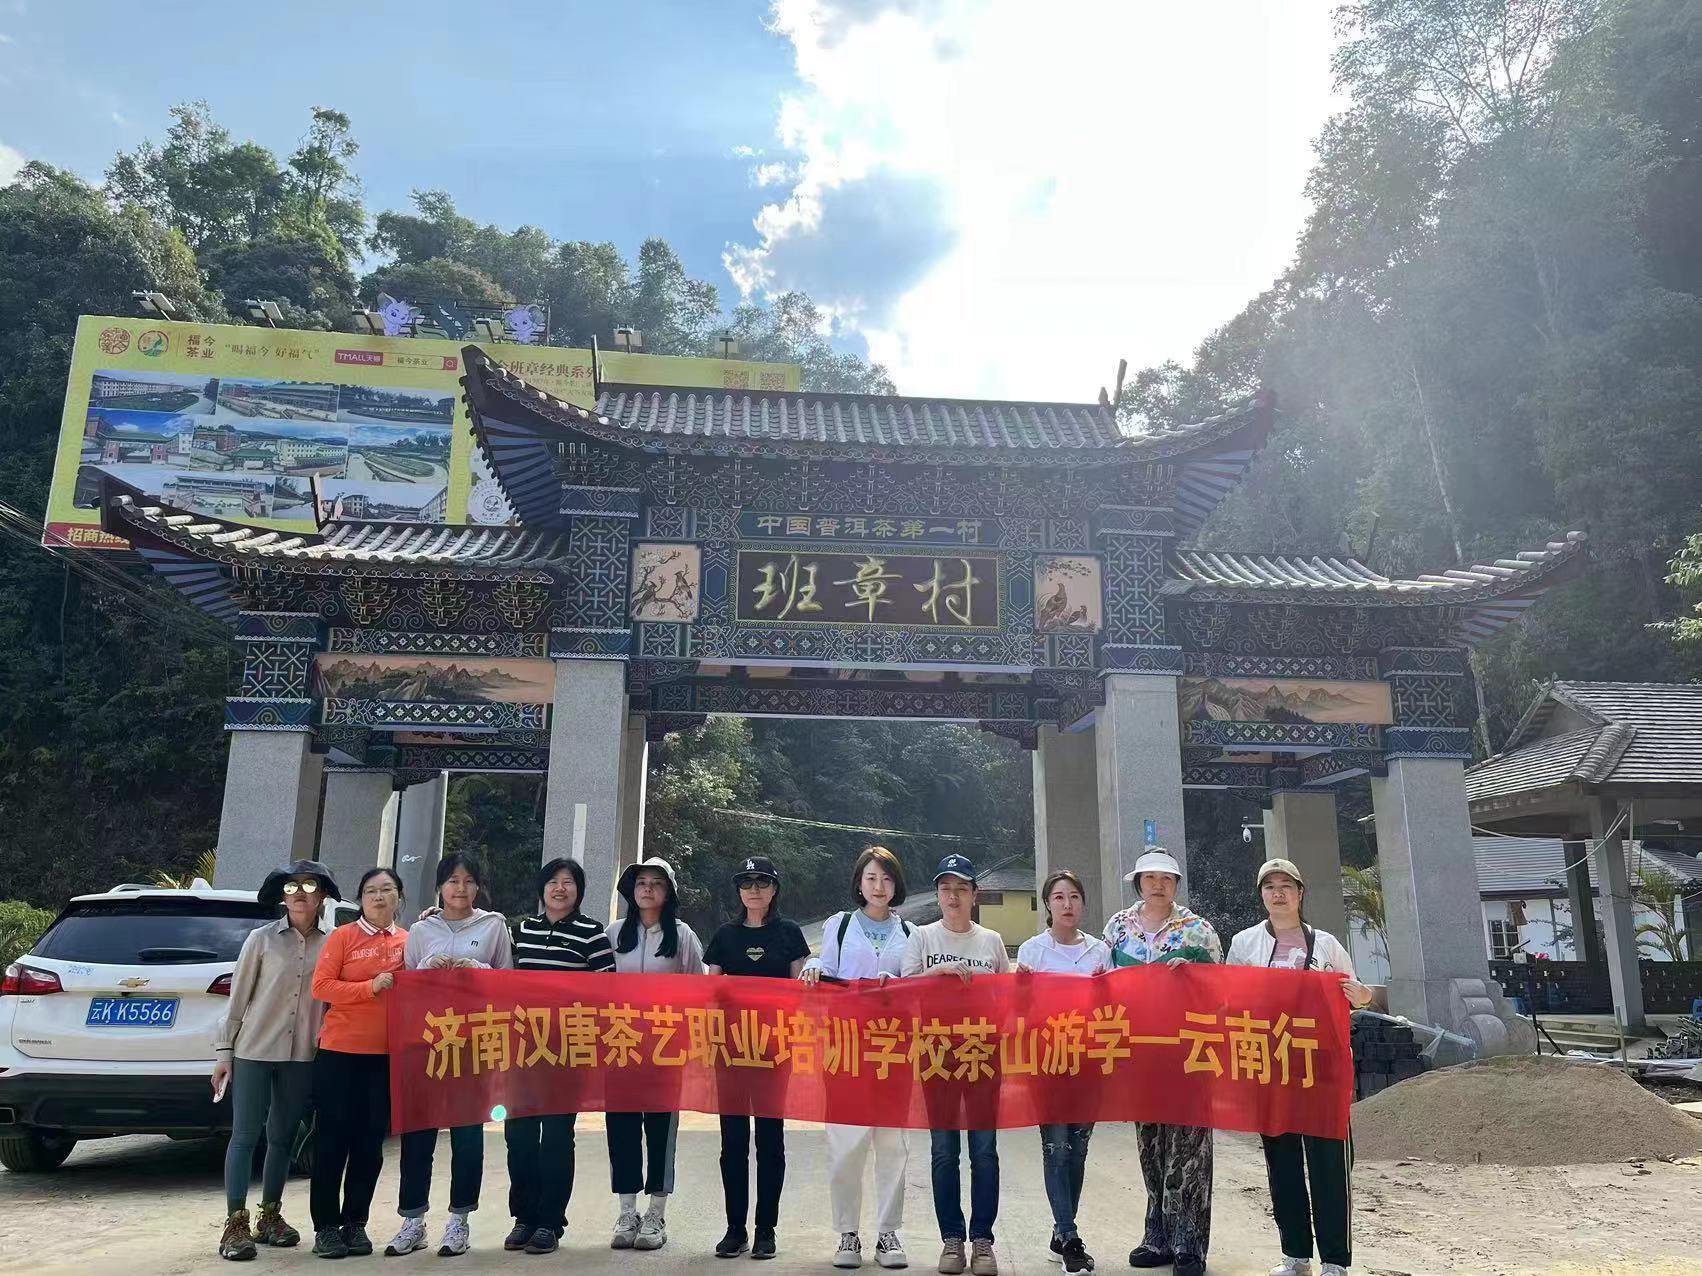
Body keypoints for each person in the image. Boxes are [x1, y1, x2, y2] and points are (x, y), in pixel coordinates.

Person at [1226, 858, 1373, 1276]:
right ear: (1261, 896)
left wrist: (1362, 994)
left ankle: (1335, 1260)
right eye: (1269, 887)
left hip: (1321, 1069)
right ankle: (1295, 1254)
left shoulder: (1325, 944)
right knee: (1283, 1164)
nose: (1278, 894)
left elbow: (1356, 995)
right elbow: (1230, 998)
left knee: (1329, 1163)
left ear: (1300, 893)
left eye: (1286, 886)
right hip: (1271, 1068)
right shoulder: (1244, 943)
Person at [386, 852, 512, 1258]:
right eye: (453, 880)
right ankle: (413, 1220)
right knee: (418, 1133)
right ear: (440, 886)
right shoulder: (422, 929)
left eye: (469, 880)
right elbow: (405, 984)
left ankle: (459, 1221)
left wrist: (476, 968)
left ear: (478, 887)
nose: (461, 888)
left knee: (467, 1135)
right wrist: (426, 966)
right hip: (426, 1043)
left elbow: (508, 982)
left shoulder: (493, 926)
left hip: (473, 1043)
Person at [1102, 849, 1222, 1276]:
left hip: (1188, 1053)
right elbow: (1101, 984)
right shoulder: (1117, 928)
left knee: (1189, 1150)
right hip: (1140, 1054)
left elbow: (1223, 992)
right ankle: (1157, 1235)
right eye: (1150, 877)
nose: (1158, 885)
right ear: (1138, 883)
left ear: (1176, 885)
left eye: (1166, 878)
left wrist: (1194, 974)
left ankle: (1189, 1242)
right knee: (1151, 1146)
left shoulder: (1199, 930)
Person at [214, 860, 341, 1261]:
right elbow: (238, 999)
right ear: (282, 897)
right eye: (291, 887)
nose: (300, 893)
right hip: (253, 1049)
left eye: (309, 886)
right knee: (244, 1134)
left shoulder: (335, 942)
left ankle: (270, 1216)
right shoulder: (261, 940)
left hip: (303, 1053)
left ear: (323, 896)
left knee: (283, 1136)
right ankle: (235, 1223)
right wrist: (224, 1052)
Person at [800, 845, 915, 1271]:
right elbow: (826, 968)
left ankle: (888, 1232)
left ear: (896, 885)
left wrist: (898, 983)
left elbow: (918, 985)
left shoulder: (911, 933)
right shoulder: (840, 925)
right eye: (871, 878)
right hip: (846, 1047)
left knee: (892, 1144)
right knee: (846, 1143)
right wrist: (814, 964)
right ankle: (848, 1233)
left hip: (894, 1049)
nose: (879, 886)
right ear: (859, 884)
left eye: (886, 878)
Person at [900, 854, 1010, 1276]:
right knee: (944, 1151)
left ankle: (982, 1240)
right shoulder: (922, 937)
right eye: (946, 889)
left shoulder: (991, 941)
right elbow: (904, 990)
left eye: (962, 888)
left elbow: (1007, 997)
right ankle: (951, 1239)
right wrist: (939, 973)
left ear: (974, 895)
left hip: (983, 1054)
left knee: (984, 1152)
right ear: (938, 894)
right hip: (937, 1055)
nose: (953, 896)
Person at [502, 856, 616, 1255]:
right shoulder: (522, 931)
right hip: (522, 1050)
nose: (560, 888)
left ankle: (550, 1222)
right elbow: (499, 978)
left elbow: (607, 991)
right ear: (542, 888)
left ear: (579, 891)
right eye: (553, 881)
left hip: (568, 1051)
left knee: (555, 1137)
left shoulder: (592, 934)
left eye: (568, 882)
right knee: (518, 1135)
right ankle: (524, 1217)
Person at [705, 856, 811, 1261]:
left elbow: (799, 994)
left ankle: (766, 1229)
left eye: (762, 882)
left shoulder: (789, 934)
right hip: (730, 1053)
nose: (754, 889)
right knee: (732, 1142)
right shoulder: (724, 936)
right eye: (746, 882)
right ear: (738, 890)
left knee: (770, 1141)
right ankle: (735, 1229)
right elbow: (711, 994)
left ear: (774, 889)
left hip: (773, 1051)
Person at [606, 856, 706, 1252]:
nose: (647, 889)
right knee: (622, 1128)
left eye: (656, 883)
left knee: (661, 1130)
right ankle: (627, 1210)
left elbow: (699, 991)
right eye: (641, 883)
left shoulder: (682, 936)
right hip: (621, 1046)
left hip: (666, 1050)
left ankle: (656, 1213)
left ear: (669, 893)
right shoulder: (614, 933)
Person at [1013, 871, 1111, 1275]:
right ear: (1047, 905)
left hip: (1088, 1063)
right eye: (1058, 897)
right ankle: (1070, 1236)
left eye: (1074, 896)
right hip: (1048, 1062)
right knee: (1056, 1147)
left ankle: (1060, 1229)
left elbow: (1112, 1009)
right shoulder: (1032, 951)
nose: (1067, 904)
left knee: (1079, 1148)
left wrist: (1104, 990)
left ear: (1083, 903)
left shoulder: (1100, 951)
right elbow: (1019, 1010)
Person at [309, 866, 409, 1260]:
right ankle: (325, 1227)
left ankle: (355, 1223)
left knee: (370, 1143)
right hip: (339, 1052)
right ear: (361, 899)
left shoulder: (409, 940)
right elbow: (321, 986)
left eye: (387, 889)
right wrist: (370, 987)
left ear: (399, 896)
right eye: (371, 891)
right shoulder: (343, 936)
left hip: (385, 1057)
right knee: (333, 1140)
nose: (379, 897)